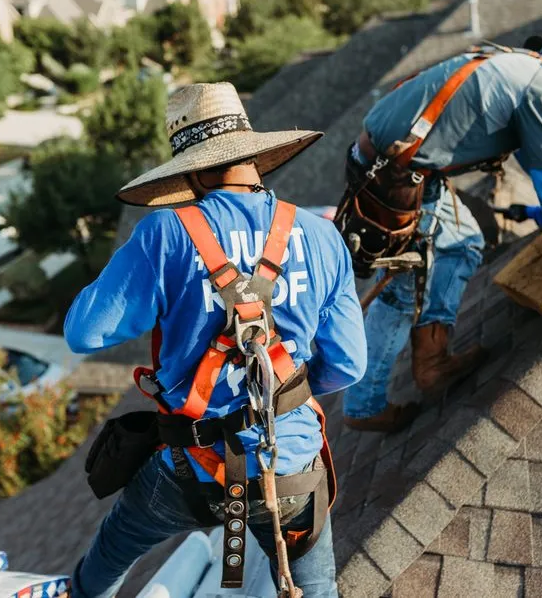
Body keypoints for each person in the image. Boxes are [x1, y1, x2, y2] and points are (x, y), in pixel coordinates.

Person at [63, 82, 367, 598]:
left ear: (192, 169)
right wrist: (277, 398)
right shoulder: (321, 236)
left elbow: (83, 332)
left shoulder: (166, 234)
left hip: (191, 471)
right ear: (248, 154)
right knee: (316, 591)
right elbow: (348, 366)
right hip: (289, 471)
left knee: (111, 552)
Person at [342, 34, 542, 434]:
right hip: (397, 176)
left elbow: (538, 161)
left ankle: (419, 367)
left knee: (456, 246)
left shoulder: (523, 66)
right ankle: (376, 396)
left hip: (391, 164)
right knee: (417, 279)